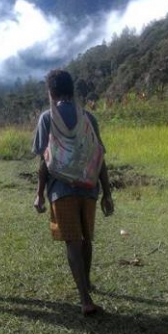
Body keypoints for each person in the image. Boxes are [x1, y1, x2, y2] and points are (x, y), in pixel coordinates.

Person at [32, 69, 114, 316]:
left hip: (61, 191)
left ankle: (84, 298)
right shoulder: (88, 118)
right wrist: (107, 193)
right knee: (86, 238)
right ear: (72, 91)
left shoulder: (47, 118)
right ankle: (86, 283)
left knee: (72, 241)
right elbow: (99, 158)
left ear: (51, 92)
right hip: (89, 189)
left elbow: (44, 160)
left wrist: (38, 193)